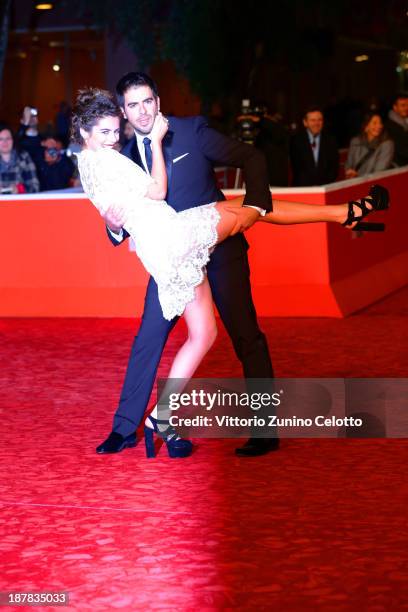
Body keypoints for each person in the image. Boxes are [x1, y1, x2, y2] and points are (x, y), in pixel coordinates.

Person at [73, 87, 389, 459]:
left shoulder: (189, 130)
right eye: (130, 107)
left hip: (205, 251)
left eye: (147, 102)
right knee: (248, 213)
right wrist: (113, 223)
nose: (139, 112)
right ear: (121, 113)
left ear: (158, 102)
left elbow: (249, 156)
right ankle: (125, 426)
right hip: (172, 247)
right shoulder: (119, 156)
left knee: (217, 333)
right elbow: (134, 206)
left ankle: (215, 423)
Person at [289, 107, 339, 186]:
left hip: (325, 188)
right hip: (303, 190)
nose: (317, 123)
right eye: (313, 120)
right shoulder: (295, 141)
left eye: (319, 120)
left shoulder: (331, 141)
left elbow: (333, 169)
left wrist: (321, 186)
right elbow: (297, 169)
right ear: (305, 122)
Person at [345, 113, 394, 179]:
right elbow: (349, 162)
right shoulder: (355, 141)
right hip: (353, 182)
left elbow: (379, 170)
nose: (379, 126)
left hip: (373, 183)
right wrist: (349, 172)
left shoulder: (387, 144)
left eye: (380, 123)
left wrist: (358, 176)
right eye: (375, 123)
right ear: (366, 126)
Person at [0, 123, 39, 194]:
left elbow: (35, 187)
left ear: (13, 140)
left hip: (20, 203)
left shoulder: (24, 157)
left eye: (8, 138)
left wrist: (20, 189)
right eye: (1, 139)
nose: (5, 142)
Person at [385, 93, 408, 167]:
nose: (407, 108)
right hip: (398, 167)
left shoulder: (404, 122)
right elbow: (400, 150)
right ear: (395, 107)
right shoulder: (390, 126)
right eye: (403, 105)